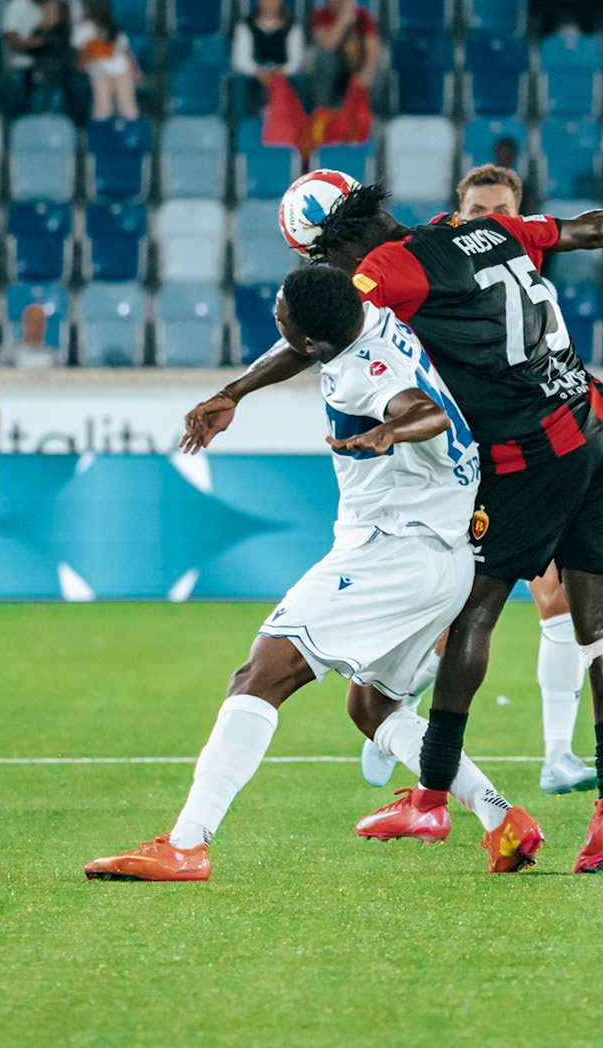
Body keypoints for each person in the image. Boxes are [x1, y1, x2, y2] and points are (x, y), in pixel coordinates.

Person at [183, 173, 603, 873]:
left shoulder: (384, 271)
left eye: (322, 261)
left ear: (334, 245)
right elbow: (587, 230)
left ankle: (433, 795)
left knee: (473, 612)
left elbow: (319, 331)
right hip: (600, 418)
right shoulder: (488, 227)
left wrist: (236, 390)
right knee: (596, 621)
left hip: (535, 447)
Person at [85, 266, 543, 882]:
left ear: (308, 338)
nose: (276, 322)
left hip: (391, 552)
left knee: (261, 673)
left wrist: (388, 431)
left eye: (281, 319)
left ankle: (187, 845)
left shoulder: (363, 374)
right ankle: (501, 818)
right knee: (372, 708)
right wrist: (236, 392)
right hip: (445, 558)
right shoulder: (369, 315)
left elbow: (426, 412)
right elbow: (300, 351)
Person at [357, 165, 600, 795]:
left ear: (520, 219)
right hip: (470, 461)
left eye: (503, 212)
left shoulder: (530, 282)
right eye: (478, 211)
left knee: (555, 597)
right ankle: (396, 704)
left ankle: (557, 757)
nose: (490, 222)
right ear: (455, 214)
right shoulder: (433, 272)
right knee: (462, 611)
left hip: (534, 456)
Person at [308, 0, 380, 111]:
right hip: (333, 67)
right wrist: (343, 20)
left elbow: (372, 46)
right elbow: (329, 45)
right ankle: (323, 112)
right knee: (322, 59)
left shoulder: (363, 15)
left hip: (356, 64)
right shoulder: (319, 15)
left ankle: (370, 116)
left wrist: (368, 72)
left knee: (379, 70)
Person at [231, 0, 304, 108]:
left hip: (283, 75)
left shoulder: (293, 26)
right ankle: (243, 119)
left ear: (281, 1)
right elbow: (240, 59)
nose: (269, 3)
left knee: (299, 79)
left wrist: (282, 71)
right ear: (259, 0)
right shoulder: (245, 25)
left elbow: (296, 60)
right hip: (255, 75)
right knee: (240, 81)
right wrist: (257, 71)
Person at [0, 0, 55, 115]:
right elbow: (13, 43)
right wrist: (40, 41)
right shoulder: (15, 6)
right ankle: (18, 124)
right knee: (16, 81)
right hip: (23, 63)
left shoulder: (55, 5)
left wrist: (33, 42)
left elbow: (61, 39)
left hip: (50, 63)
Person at [75, 0, 139, 121]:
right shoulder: (83, 29)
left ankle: (131, 131)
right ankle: (101, 131)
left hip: (121, 71)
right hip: (99, 73)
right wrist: (82, 66)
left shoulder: (113, 27)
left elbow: (125, 50)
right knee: (102, 108)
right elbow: (81, 54)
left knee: (127, 106)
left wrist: (136, 70)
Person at [23, 0, 74, 115]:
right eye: (46, 10)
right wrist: (40, 34)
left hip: (58, 77)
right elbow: (30, 46)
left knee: (56, 104)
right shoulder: (38, 30)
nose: (47, 14)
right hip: (39, 75)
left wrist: (42, 39)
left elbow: (54, 44)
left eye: (51, 11)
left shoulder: (63, 31)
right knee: (37, 102)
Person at [0, 303, 61, 369]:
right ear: (24, 323)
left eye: (39, 322)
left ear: (44, 326)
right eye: (32, 320)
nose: (35, 325)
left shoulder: (53, 357)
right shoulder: (8, 354)